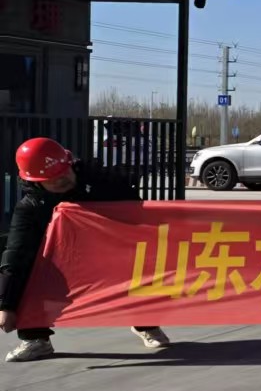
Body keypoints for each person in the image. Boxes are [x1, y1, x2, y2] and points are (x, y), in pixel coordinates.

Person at [2, 138, 170, 363]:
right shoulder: (31, 208)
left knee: (143, 263)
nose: (62, 180)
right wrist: (6, 305)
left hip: (110, 254)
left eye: (64, 172)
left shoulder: (102, 182)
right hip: (65, 265)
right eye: (52, 179)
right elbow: (16, 254)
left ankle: (145, 323)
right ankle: (35, 339)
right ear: (37, 183)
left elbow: (137, 215)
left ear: (70, 163)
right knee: (29, 270)